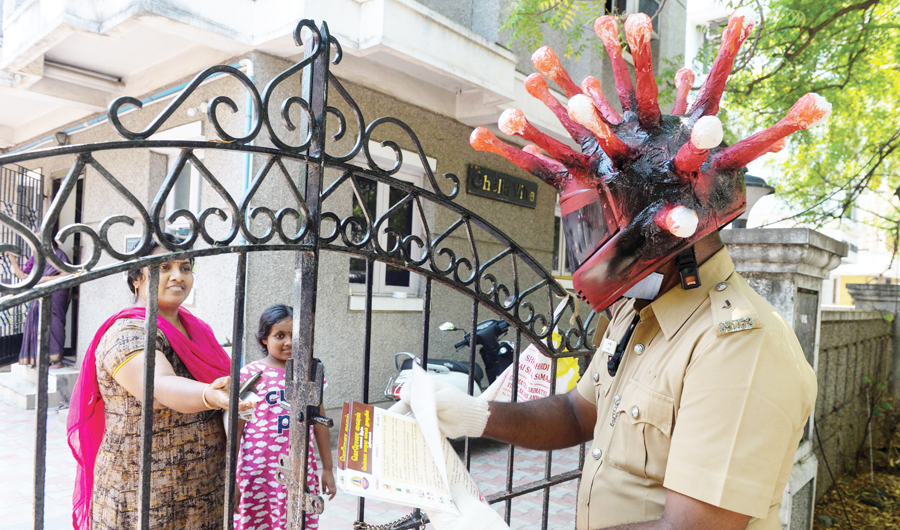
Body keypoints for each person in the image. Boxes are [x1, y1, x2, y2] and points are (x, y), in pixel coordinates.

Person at [397, 9, 827, 529]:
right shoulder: (641, 310)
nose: (585, 254)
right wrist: (474, 414)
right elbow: (580, 413)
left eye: (593, 228)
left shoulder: (738, 346)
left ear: (669, 231)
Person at [66, 234, 253, 530]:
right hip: (144, 492)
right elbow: (158, 386)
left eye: (185, 267)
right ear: (137, 278)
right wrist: (208, 394)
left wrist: (231, 478)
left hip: (205, 486)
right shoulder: (126, 333)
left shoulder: (196, 328)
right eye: (164, 267)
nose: (178, 276)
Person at [234, 303, 336, 530]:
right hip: (257, 468)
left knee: (296, 516)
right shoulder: (251, 374)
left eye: (295, 335)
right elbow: (236, 427)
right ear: (264, 339)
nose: (289, 342)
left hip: (300, 466)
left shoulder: (310, 374)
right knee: (259, 519)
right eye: (280, 335)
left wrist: (327, 468)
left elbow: (319, 422)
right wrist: (232, 476)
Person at [6, 246, 70, 368]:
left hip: (55, 294)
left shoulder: (58, 255)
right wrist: (12, 259)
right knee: (36, 324)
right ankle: (39, 359)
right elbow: (23, 276)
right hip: (39, 295)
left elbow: (68, 274)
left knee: (54, 324)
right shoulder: (35, 258)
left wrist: (46, 279)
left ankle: (57, 360)